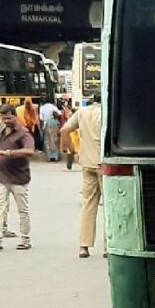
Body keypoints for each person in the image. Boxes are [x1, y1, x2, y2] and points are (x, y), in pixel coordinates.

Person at [0, 104, 34, 252]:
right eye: (4, 118)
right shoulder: (1, 132)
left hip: (19, 178)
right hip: (2, 176)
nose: (6, 121)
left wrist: (9, 153)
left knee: (22, 210)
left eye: (9, 118)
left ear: (15, 116)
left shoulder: (24, 134)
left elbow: (29, 151)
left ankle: (25, 239)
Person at [61, 95, 104, 259]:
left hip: (87, 163)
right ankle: (109, 246)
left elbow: (64, 131)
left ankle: (84, 246)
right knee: (109, 206)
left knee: (88, 205)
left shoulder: (82, 112)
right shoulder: (106, 113)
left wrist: (73, 152)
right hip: (105, 164)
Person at [40, 97, 61, 162]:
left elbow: (41, 118)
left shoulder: (42, 108)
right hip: (55, 124)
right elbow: (60, 113)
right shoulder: (53, 107)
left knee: (47, 141)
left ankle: (49, 157)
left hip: (46, 125)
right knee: (55, 140)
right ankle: (55, 157)